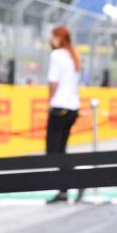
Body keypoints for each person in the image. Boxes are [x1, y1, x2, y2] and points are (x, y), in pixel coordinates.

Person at [44, 25, 82, 205]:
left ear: (58, 38)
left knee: (53, 152)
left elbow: (53, 82)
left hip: (59, 107)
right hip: (73, 108)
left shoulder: (57, 55)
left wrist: (49, 102)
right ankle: (63, 190)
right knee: (61, 151)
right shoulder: (72, 55)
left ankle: (77, 181)